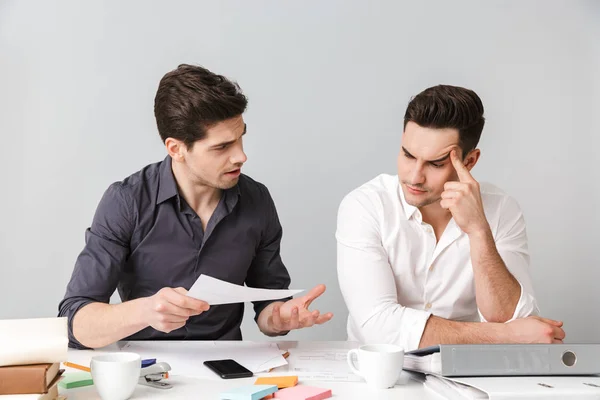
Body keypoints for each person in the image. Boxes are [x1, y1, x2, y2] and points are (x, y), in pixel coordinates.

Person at [59, 64, 333, 349]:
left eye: (241, 138)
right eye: (221, 147)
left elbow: (268, 306)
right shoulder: (126, 201)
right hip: (145, 370)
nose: (241, 156)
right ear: (176, 149)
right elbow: (75, 322)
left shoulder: (257, 200)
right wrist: (146, 311)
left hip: (228, 369)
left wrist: (279, 318)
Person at [336, 85, 565, 351]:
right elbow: (377, 326)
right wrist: (503, 336)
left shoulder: (501, 209)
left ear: (469, 162)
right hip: (380, 375)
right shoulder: (365, 206)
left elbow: (512, 319)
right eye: (408, 155)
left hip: (471, 373)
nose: (414, 176)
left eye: (435, 164)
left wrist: (479, 230)